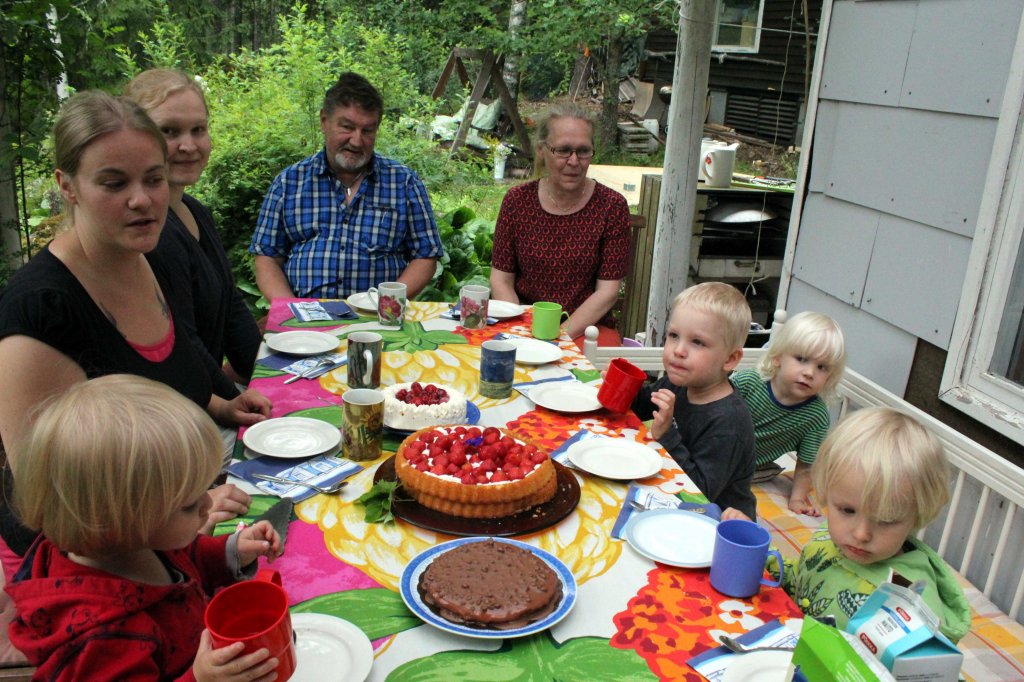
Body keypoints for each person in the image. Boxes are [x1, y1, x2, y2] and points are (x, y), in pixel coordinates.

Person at [0, 91, 269, 561]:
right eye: (113, 183)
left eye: (154, 179)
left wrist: (222, 407)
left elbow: (159, 383)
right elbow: (48, 511)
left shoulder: (142, 259)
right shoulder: (40, 312)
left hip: (173, 518)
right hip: (89, 571)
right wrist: (193, 517)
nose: (141, 200)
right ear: (68, 186)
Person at [5, 375, 284, 680]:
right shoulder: (102, 641)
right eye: (189, 504)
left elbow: (184, 556)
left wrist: (231, 551)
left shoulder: (136, 544)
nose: (208, 506)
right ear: (122, 520)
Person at [775, 407, 971, 642]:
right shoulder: (828, 538)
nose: (861, 534)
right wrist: (759, 561)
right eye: (847, 510)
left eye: (886, 521)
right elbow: (801, 577)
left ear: (918, 515)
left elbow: (928, 666)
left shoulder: (911, 602)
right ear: (826, 493)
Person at [124, 69, 262, 395]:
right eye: (169, 131)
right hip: (175, 413)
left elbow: (230, 308)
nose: (188, 146)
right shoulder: (150, 234)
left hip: (206, 394)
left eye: (198, 130)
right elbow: (183, 344)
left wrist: (270, 373)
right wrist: (233, 401)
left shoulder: (194, 211)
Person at [250, 71, 442, 301]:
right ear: (324, 121)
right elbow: (266, 257)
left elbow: (426, 255)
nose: (356, 140)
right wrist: (292, 310)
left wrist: (387, 303)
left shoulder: (404, 183)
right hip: (307, 321)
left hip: (380, 321)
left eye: (367, 130)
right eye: (347, 127)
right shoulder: (289, 183)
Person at [490, 103, 631, 345]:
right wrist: (521, 330)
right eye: (563, 150)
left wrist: (560, 336)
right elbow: (501, 279)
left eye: (583, 151)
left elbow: (607, 291)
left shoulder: (611, 206)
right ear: (542, 150)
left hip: (587, 328)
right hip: (524, 323)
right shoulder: (517, 201)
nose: (574, 161)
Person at [630, 282, 757, 518]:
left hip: (715, 521)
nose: (679, 350)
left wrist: (667, 434)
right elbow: (642, 407)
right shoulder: (678, 382)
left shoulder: (729, 423)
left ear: (730, 359)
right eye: (674, 336)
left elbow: (699, 491)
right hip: (669, 495)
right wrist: (624, 387)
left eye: (697, 342)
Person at [731, 311, 846, 516]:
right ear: (777, 358)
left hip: (752, 471)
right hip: (714, 450)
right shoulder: (749, 382)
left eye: (822, 367)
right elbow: (710, 411)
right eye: (801, 359)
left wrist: (797, 499)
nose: (810, 372)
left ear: (830, 377)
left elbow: (806, 465)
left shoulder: (816, 416)